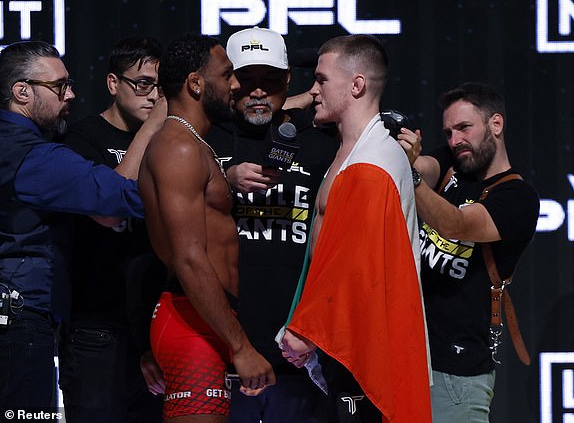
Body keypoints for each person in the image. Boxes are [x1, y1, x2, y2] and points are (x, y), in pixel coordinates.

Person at [0, 41, 163, 411]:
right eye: (59, 86)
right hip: (21, 322)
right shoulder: (33, 156)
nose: (71, 94)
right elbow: (123, 196)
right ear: (22, 91)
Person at [281, 35, 432, 422]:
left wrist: (307, 329)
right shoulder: (350, 153)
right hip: (343, 343)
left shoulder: (373, 164)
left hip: (363, 347)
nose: (313, 90)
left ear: (356, 84)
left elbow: (355, 266)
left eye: (321, 79)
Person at [138, 33, 276, 422]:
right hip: (190, 320)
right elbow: (189, 257)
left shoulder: (193, 143)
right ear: (196, 83)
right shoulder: (178, 147)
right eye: (227, 74)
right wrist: (241, 347)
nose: (236, 85)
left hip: (204, 317)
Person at [205, 27, 337, 422]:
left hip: (297, 351)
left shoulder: (322, 144)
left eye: (270, 80)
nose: (257, 91)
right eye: (246, 79)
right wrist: (221, 180)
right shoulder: (204, 141)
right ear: (228, 80)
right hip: (220, 350)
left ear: (288, 81)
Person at [398, 82, 540, 422]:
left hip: (456, 373)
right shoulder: (453, 162)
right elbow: (428, 167)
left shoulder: (518, 198)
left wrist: (410, 174)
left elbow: (458, 225)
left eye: (464, 128)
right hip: (408, 355)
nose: (454, 140)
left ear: (496, 124)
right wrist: (403, 157)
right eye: (448, 131)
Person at [57, 36, 165, 422]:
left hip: (155, 329)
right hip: (96, 328)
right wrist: (152, 129)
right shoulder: (80, 139)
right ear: (112, 84)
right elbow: (107, 206)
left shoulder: (172, 142)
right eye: (142, 83)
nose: (153, 96)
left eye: (160, 86)